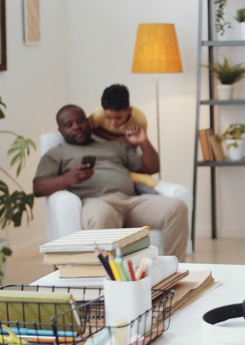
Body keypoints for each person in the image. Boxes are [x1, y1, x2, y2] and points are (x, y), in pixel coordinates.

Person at [33, 104, 188, 261]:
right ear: (61, 131)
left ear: (88, 122)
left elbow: (152, 167)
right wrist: (70, 178)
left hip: (131, 200)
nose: (77, 127)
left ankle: (174, 269)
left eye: (80, 121)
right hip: (96, 201)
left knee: (176, 207)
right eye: (69, 125)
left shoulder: (114, 145)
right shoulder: (56, 154)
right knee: (101, 216)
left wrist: (143, 141)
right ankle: (109, 280)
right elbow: (38, 187)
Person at [88, 84, 157, 190]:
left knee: (141, 165)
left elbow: (137, 143)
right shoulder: (99, 114)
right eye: (108, 118)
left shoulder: (139, 120)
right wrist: (117, 140)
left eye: (118, 118)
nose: (113, 122)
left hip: (129, 144)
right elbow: (90, 129)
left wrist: (131, 142)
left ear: (129, 110)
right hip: (104, 142)